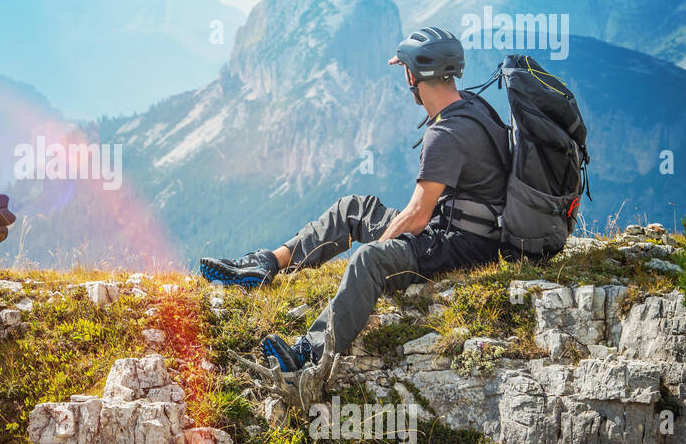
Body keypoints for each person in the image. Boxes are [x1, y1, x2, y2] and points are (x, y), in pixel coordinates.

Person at [200, 27, 511, 373]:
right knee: (353, 210)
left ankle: (309, 354)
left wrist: (381, 249)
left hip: (463, 245)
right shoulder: (472, 105)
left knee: (370, 260)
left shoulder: (445, 134)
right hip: (466, 228)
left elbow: (419, 217)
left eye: (405, 69)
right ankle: (266, 264)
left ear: (414, 75)